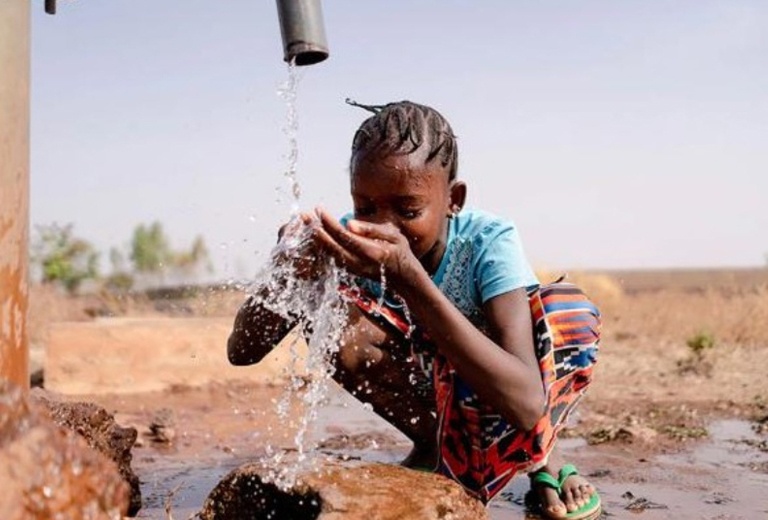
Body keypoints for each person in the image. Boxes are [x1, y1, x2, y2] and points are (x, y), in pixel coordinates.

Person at [228, 100, 601, 520]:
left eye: (408, 211)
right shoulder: (350, 243)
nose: (384, 228)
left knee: (566, 310)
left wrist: (411, 280)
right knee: (329, 312)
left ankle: (543, 456)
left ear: (453, 199)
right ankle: (434, 446)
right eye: (366, 207)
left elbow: (528, 401)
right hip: (433, 387)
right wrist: (286, 272)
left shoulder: (487, 243)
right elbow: (241, 352)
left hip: (502, 392)